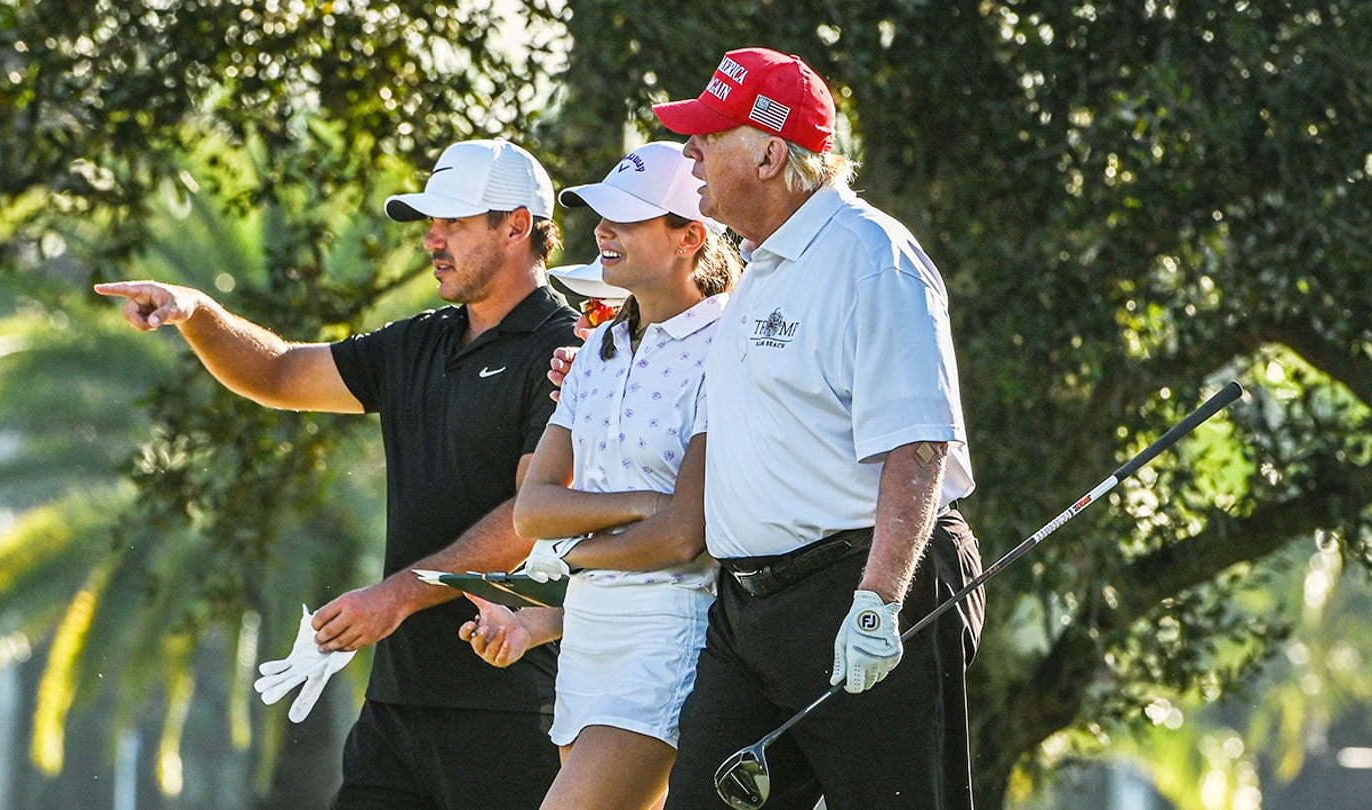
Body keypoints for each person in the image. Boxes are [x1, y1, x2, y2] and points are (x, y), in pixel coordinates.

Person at [95, 138, 576, 809]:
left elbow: (532, 515)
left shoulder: (567, 347)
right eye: (429, 225)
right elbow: (281, 371)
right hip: (397, 705)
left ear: (517, 225)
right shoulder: (417, 341)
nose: (433, 241)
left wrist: (396, 597)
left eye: (454, 224)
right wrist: (197, 313)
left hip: (510, 703)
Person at [650, 48, 986, 809]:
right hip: (749, 614)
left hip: (861, 588)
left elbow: (919, 442)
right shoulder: (758, 265)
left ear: (770, 152)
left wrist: (878, 602)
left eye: (710, 133)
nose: (689, 151)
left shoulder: (871, 257)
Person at [458, 140, 742, 810]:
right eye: (600, 216)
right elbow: (533, 511)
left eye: (628, 218)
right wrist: (646, 503)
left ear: (689, 237)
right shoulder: (598, 352)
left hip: (671, 633)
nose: (602, 231)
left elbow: (684, 536)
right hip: (586, 639)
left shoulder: (724, 345)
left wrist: (581, 552)